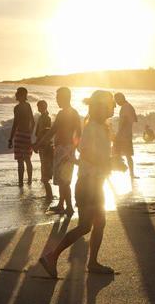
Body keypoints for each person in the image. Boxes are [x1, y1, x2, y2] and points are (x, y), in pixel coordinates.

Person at [39, 90, 115, 278]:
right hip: (88, 183)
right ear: (99, 107)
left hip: (95, 182)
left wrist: (110, 162)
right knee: (85, 226)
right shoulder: (92, 128)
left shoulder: (102, 127)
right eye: (109, 104)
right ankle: (52, 256)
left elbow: (97, 154)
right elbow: (86, 152)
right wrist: (109, 163)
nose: (112, 107)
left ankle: (92, 262)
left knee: (98, 223)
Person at [35, 86, 82, 215]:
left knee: (64, 181)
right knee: (63, 181)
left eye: (58, 97)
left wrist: (39, 143)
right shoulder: (74, 112)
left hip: (64, 149)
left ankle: (69, 207)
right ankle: (62, 204)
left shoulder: (64, 113)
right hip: (67, 149)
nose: (56, 100)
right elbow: (79, 132)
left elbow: (52, 130)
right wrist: (75, 147)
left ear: (65, 98)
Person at [8, 86, 34, 187]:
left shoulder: (17, 108)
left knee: (20, 161)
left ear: (23, 95)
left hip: (19, 136)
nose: (16, 94)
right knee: (27, 159)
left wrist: (11, 139)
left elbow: (15, 124)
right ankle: (29, 181)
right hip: (25, 135)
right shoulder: (27, 106)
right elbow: (33, 122)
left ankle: (21, 182)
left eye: (18, 93)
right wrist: (30, 133)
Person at [113, 91, 138, 177]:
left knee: (116, 153)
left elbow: (124, 121)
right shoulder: (130, 106)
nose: (116, 102)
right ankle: (131, 174)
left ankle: (112, 173)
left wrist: (118, 133)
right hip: (128, 134)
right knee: (127, 155)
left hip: (123, 135)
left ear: (121, 98)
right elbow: (135, 119)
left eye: (116, 100)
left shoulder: (125, 107)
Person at [34, 100, 54, 201]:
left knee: (45, 167)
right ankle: (48, 193)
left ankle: (49, 194)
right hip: (43, 144)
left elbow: (44, 132)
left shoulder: (46, 118)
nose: (38, 108)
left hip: (44, 145)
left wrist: (38, 143)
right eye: (38, 106)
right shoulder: (42, 117)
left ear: (44, 107)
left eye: (40, 106)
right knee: (44, 166)